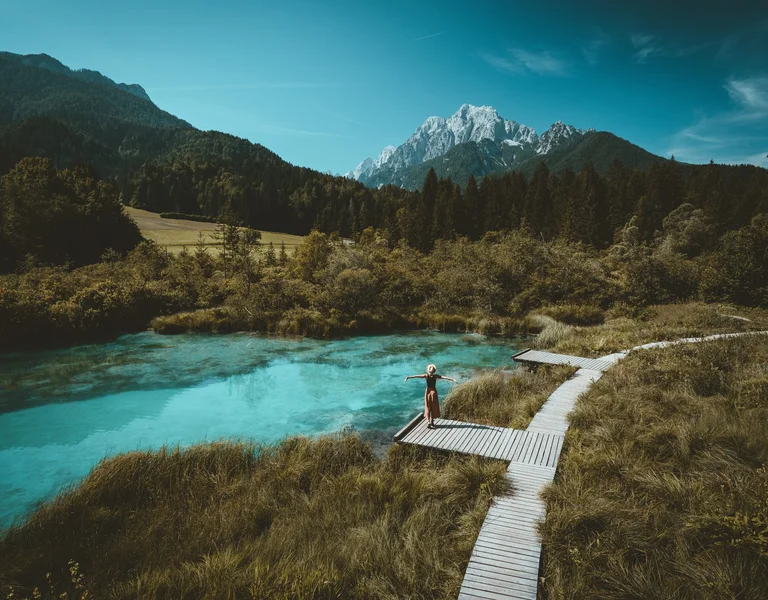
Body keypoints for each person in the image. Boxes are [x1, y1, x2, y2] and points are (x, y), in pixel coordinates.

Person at [404, 364, 458, 429]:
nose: (431, 373)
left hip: (429, 392)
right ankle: (430, 422)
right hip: (432, 392)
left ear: (428, 371)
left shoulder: (426, 376)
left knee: (429, 406)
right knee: (432, 407)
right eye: (431, 372)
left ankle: (430, 421)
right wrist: (452, 379)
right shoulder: (435, 376)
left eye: (431, 372)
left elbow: (417, 376)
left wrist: (408, 377)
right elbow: (444, 377)